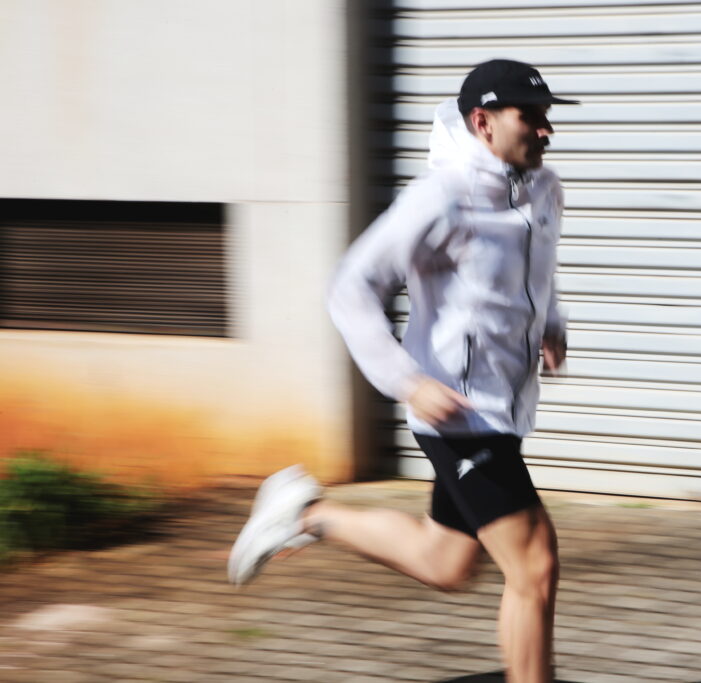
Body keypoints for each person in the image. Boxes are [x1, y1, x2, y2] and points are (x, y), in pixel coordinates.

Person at [227, 59, 577, 683]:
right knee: (535, 566)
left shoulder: (543, 190)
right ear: (483, 122)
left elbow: (537, 275)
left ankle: (306, 515)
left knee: (447, 563)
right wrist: (405, 379)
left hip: (504, 406)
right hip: (459, 412)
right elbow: (350, 286)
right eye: (531, 116)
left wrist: (552, 325)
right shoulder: (442, 197)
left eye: (548, 116)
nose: (546, 130)